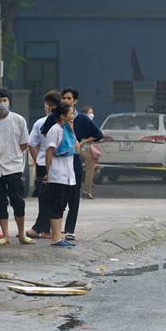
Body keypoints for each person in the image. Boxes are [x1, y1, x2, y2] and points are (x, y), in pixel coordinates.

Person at [38, 89, 103, 240]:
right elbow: (46, 137)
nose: (66, 100)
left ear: (75, 101)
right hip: (57, 163)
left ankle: (69, 230)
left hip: (72, 161)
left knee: (73, 196)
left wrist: (81, 141)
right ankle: (51, 231)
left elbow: (97, 135)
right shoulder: (55, 122)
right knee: (56, 199)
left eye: (69, 98)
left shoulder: (81, 120)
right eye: (64, 98)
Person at [0, 88, 34, 245]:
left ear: (9, 101)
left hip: (13, 167)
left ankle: (21, 234)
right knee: (0, 201)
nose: (2, 103)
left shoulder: (19, 120)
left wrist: (13, 155)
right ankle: (5, 235)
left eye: (4, 100)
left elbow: (24, 143)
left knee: (17, 201)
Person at [42, 102, 79, 246]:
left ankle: (58, 236)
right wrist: (48, 172)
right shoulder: (55, 130)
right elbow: (49, 152)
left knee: (62, 205)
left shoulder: (68, 130)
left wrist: (73, 130)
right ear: (62, 115)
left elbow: (77, 149)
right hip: (57, 173)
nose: (72, 116)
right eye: (70, 113)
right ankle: (55, 238)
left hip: (68, 174)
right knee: (56, 205)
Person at [27, 90, 62, 239]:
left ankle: (42, 229)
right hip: (47, 163)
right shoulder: (42, 122)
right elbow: (32, 144)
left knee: (50, 198)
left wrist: (38, 160)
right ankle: (46, 230)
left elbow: (32, 144)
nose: (48, 107)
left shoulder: (57, 123)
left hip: (53, 164)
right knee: (47, 197)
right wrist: (38, 161)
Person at [81, 104, 101, 199]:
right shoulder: (87, 123)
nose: (92, 114)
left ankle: (87, 188)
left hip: (82, 147)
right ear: (85, 114)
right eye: (90, 112)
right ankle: (86, 191)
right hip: (86, 148)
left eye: (92, 112)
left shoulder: (83, 122)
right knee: (90, 170)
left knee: (91, 170)